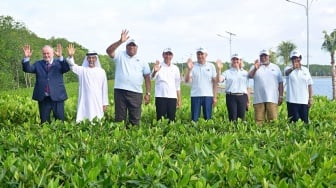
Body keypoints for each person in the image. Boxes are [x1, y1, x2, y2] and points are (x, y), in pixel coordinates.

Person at [106, 29, 151, 126]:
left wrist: (148, 93)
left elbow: (147, 77)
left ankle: (132, 139)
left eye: (133, 45)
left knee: (135, 120)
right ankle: (119, 139)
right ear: (126, 46)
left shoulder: (143, 60)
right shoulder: (119, 55)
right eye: (129, 45)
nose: (131, 47)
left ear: (137, 47)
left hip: (136, 93)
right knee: (119, 119)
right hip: (120, 91)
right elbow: (109, 51)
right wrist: (120, 41)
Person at [22, 44, 70, 123]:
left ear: (53, 53)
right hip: (43, 98)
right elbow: (27, 69)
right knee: (44, 122)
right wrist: (27, 58)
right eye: (44, 53)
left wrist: (61, 57)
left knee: (60, 122)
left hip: (57, 97)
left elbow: (66, 69)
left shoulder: (59, 63)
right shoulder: (38, 64)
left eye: (48, 53)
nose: (46, 55)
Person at [66, 44, 109, 123]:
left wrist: (105, 103)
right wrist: (71, 56)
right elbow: (72, 65)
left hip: (97, 101)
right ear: (87, 59)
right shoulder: (82, 70)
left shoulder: (101, 72)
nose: (91, 60)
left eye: (93, 58)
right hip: (85, 100)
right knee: (84, 119)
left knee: (97, 121)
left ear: (96, 59)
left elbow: (104, 88)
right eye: (89, 58)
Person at [248, 49, 284, 124]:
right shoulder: (255, 66)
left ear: (269, 57)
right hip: (258, 99)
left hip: (272, 99)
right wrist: (255, 68)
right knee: (258, 122)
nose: (263, 57)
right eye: (262, 56)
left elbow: (280, 83)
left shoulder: (276, 67)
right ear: (259, 57)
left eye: (265, 55)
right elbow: (250, 76)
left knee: (273, 121)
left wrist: (280, 96)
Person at [185, 47, 217, 122]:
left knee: (208, 119)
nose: (200, 56)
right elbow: (186, 80)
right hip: (195, 96)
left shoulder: (211, 66)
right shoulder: (192, 66)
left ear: (206, 55)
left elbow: (215, 83)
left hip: (208, 96)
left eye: (201, 54)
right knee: (194, 119)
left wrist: (215, 97)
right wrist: (189, 69)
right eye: (198, 54)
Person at [216, 53, 249, 121]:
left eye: (237, 59)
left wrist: (248, 101)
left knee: (241, 118)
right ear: (231, 61)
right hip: (231, 97)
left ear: (240, 61)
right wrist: (219, 69)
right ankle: (232, 131)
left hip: (242, 97)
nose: (235, 61)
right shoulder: (227, 72)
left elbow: (247, 88)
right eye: (233, 59)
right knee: (232, 117)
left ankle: (240, 131)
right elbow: (219, 80)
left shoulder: (245, 73)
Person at [151, 48, 181, 122]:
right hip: (160, 97)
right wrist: (155, 71)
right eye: (166, 54)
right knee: (160, 120)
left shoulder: (175, 68)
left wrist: (179, 99)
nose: (168, 56)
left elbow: (177, 85)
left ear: (172, 56)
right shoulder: (158, 66)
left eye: (169, 54)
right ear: (163, 55)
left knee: (171, 119)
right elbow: (152, 78)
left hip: (172, 97)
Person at [284, 50, 313, 123]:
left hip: (304, 101)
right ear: (291, 59)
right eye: (293, 58)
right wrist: (293, 68)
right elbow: (286, 73)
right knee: (293, 123)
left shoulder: (306, 70)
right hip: (292, 101)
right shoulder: (288, 69)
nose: (295, 59)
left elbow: (309, 84)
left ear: (300, 58)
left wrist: (310, 98)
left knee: (305, 122)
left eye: (297, 57)